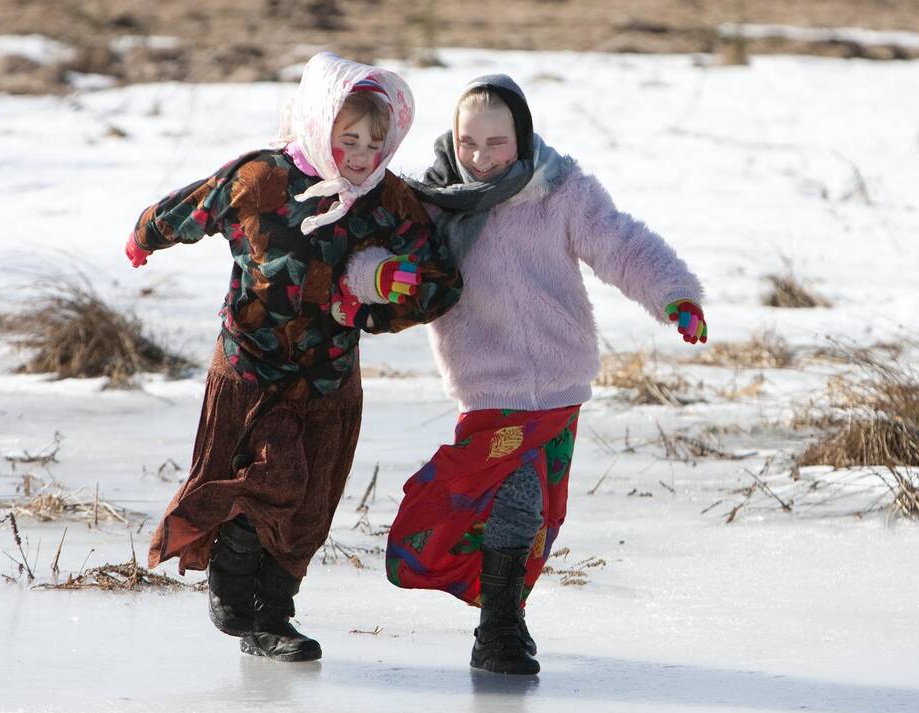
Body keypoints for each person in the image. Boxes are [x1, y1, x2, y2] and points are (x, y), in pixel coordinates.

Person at [127, 52, 461, 662]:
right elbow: (197, 206)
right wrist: (147, 233)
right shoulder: (264, 179)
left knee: (310, 505)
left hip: (328, 380)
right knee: (273, 475)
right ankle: (232, 569)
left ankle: (273, 617)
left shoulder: (388, 201)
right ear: (318, 123)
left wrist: (374, 305)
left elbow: (441, 283)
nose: (361, 154)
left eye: (374, 142)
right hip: (252, 368)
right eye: (349, 138)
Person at [366, 74, 705, 675]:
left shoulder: (560, 191)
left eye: (497, 142)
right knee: (513, 498)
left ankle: (503, 618)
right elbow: (371, 249)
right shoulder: (432, 203)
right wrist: (376, 280)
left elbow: (621, 243)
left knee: (542, 510)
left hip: (558, 380)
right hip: (487, 386)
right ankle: (498, 628)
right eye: (469, 142)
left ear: (521, 136)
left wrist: (676, 295)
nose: (481, 156)